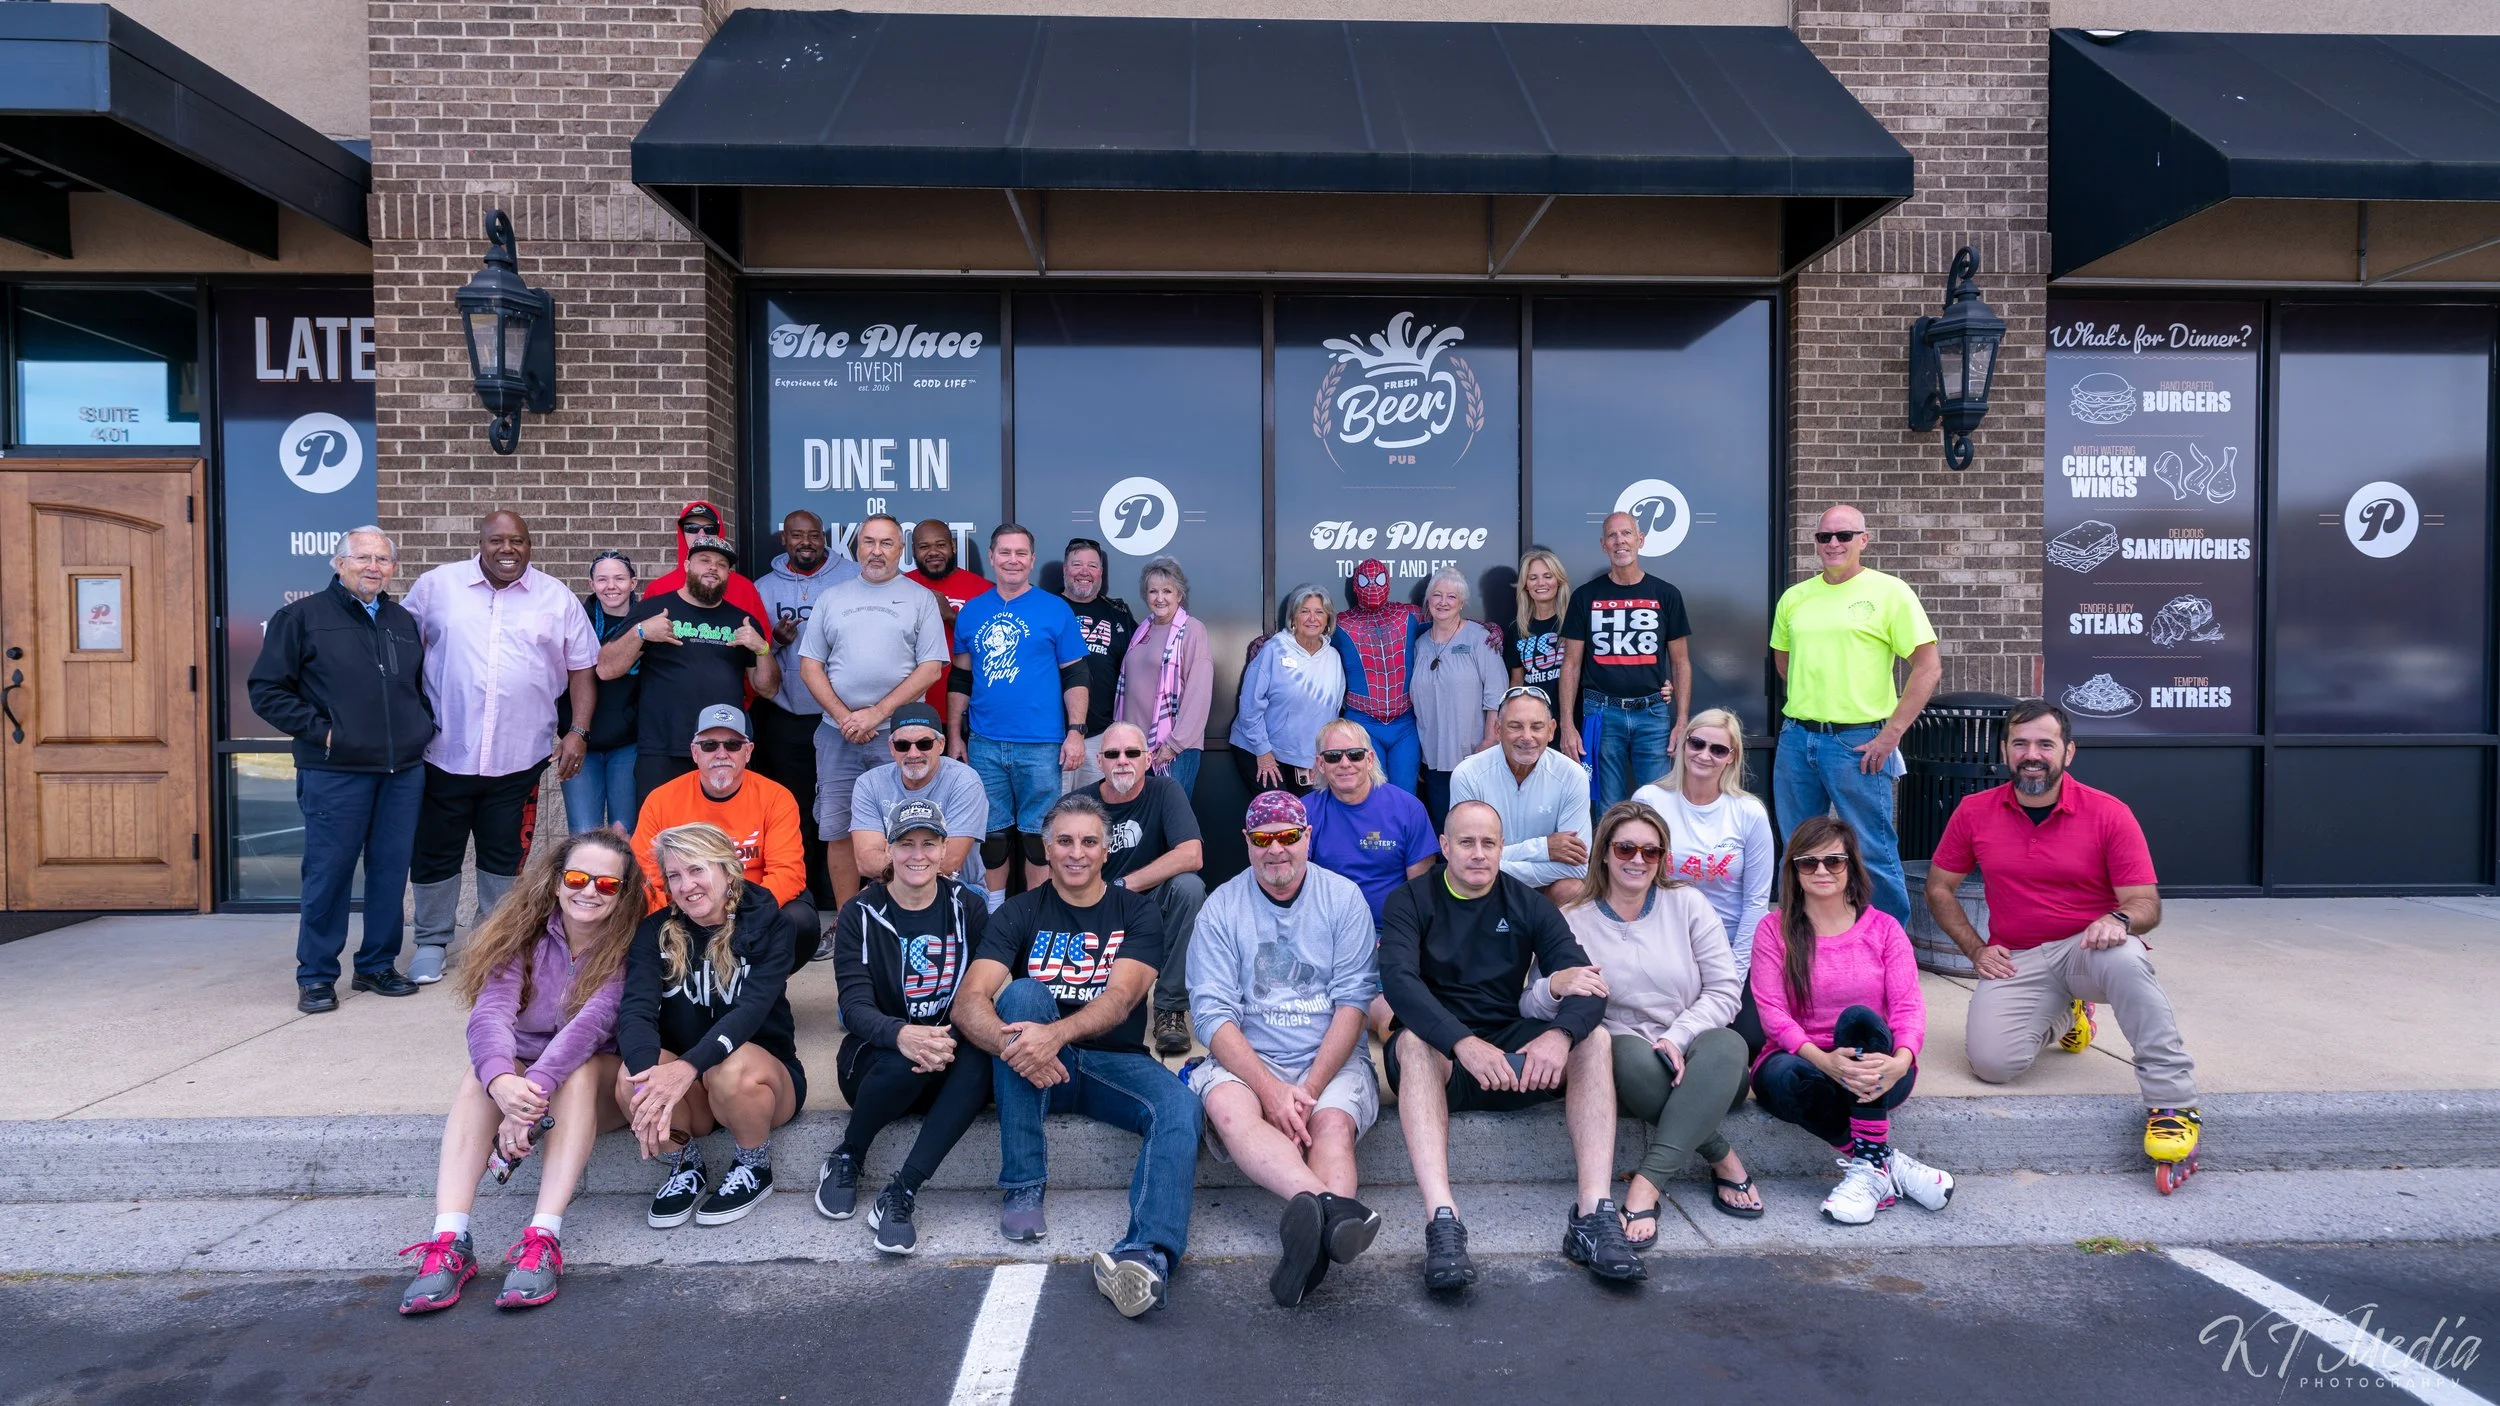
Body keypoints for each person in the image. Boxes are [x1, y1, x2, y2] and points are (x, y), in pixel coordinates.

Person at [1924, 699, 2200, 1191]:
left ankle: (2173, 1104)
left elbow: (2146, 904)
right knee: (1992, 1065)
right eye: (2021, 744)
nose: (2033, 754)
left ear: (2068, 752)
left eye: (2045, 744)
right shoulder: (1974, 812)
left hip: (2088, 950)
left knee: (2128, 959)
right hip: (2019, 956)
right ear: (2006, 751)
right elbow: (1939, 887)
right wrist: (1975, 950)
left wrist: (2118, 919)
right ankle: (2068, 1016)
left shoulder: (2108, 813)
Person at [951, 794, 1199, 1320]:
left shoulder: (1136, 911)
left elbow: (1121, 1000)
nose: (1076, 853)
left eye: (1089, 841)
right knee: (1020, 997)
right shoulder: (1021, 910)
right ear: (1046, 847)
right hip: (1033, 1071)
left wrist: (1053, 1037)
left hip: (1112, 1061)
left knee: (1181, 1108)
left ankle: (1146, 1252)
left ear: (1107, 850)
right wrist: (1014, 1044)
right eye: (1064, 841)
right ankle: (1022, 1187)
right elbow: (969, 1000)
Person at [1380, 800, 1642, 1288]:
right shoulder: (1410, 901)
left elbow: (1587, 982)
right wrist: (1461, 1042)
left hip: (1507, 1051)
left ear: (1502, 848)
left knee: (1595, 1040)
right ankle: (1443, 1221)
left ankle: (1592, 1214)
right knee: (1413, 1042)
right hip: (1443, 1057)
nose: (1478, 854)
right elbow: (1399, 984)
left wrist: (1560, 1037)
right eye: (1466, 842)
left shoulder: (1528, 904)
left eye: (1488, 843)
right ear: (1444, 846)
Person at [398, 830, 648, 1314]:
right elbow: (491, 1013)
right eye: (577, 878)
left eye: (607, 884)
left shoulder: (630, 947)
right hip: (528, 1083)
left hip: (591, 1087)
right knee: (478, 1076)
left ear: (624, 894)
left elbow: (590, 1028)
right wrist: (501, 1083)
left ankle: (543, 1238)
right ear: (556, 883)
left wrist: (525, 1101)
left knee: (577, 1069)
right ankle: (448, 1239)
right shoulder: (523, 934)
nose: (589, 891)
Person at [1184, 791, 1383, 1307]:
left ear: (1307, 838)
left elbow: (1353, 1005)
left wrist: (1310, 1088)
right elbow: (1211, 1017)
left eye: (1289, 836)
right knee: (1228, 1107)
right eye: (1264, 838)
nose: (1277, 849)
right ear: (1247, 842)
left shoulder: (1343, 898)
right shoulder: (1221, 907)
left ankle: (1312, 1244)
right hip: (1252, 1057)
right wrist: (1271, 1091)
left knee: (1332, 1127)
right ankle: (1335, 1212)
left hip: (1329, 1056)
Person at [1523, 801, 1758, 1239]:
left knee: (1730, 1045)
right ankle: (1721, 1154)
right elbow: (1531, 1003)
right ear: (1605, 854)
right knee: (1623, 1052)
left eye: (1650, 852)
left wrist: (1677, 1036)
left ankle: (1646, 1185)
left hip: (1701, 1059)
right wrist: (1556, 984)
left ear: (1663, 858)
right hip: (1628, 1067)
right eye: (1626, 848)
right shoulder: (1573, 920)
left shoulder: (1687, 903)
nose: (1637, 860)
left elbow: (1726, 991)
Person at [402, 511, 599, 985]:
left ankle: (492, 942)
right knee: (436, 851)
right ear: (481, 542)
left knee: (505, 854)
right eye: (497, 540)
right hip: (444, 751)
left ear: (531, 545)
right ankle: (431, 940)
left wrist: (578, 731)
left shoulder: (556, 597)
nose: (508, 549)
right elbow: (401, 653)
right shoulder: (436, 588)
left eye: (519, 541)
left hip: (519, 757)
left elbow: (581, 670)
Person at [248, 527, 434, 1013]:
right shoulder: (302, 617)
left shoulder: (401, 620)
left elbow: (415, 687)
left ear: (393, 568)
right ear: (339, 563)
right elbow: (267, 691)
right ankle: (316, 975)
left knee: (391, 874)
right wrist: (325, 732)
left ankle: (376, 965)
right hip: (336, 771)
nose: (373, 566)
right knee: (328, 875)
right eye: (363, 557)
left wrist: (422, 727)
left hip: (402, 771)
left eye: (383, 559)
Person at [1748, 815, 1953, 1226]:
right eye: (1809, 862)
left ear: (1851, 866)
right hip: (1805, 1063)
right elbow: (1772, 1013)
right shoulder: (1774, 930)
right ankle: (1879, 1162)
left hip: (1877, 1070)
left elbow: (1908, 1007)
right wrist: (1823, 1060)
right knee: (1784, 1078)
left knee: (1860, 1019)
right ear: (1794, 870)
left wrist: (1901, 1059)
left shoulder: (1885, 929)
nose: (1821, 871)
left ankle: (1869, 1170)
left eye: (1833, 861)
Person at [817, 798, 994, 1253]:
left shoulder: (967, 908)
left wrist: (945, 1037)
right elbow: (853, 1007)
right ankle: (849, 1154)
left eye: (929, 843)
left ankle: (903, 1189)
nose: (918, 854)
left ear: (943, 850)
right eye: (906, 843)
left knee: (982, 1058)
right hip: (875, 1062)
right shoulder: (859, 913)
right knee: (903, 1062)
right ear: (889, 851)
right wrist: (903, 1035)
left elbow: (982, 987)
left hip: (947, 1053)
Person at [616, 822, 804, 1230]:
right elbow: (636, 1012)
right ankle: (686, 1167)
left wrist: (686, 1068)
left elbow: (750, 1012)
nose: (687, 885)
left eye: (697, 870)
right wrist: (649, 1078)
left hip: (762, 1086)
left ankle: (754, 1167)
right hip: (693, 1097)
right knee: (631, 1075)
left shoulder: (772, 925)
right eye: (674, 875)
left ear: (727, 870)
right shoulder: (654, 932)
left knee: (730, 1067)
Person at [1770, 504, 1941, 925]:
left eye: (1844, 536)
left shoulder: (1890, 592)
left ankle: (1891, 949)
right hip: (1798, 739)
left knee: (1871, 848)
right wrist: (1815, 700)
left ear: (1863, 540)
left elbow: (1928, 665)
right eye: (1824, 537)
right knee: (1798, 847)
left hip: (1859, 742)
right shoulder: (1795, 597)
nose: (1833, 544)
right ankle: (1800, 938)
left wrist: (1891, 734)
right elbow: (1783, 660)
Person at [797, 514, 950, 907]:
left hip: (901, 738)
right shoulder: (833, 597)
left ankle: (900, 912)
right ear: (856, 547)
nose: (876, 551)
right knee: (837, 828)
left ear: (901, 550)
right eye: (869, 542)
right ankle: (849, 920)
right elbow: (810, 665)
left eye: (886, 543)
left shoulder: (919, 598)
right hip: (837, 733)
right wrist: (846, 716)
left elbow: (931, 666)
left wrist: (877, 713)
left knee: (908, 827)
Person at [948, 523, 1090, 901]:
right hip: (985, 742)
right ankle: (996, 914)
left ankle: (1034, 916)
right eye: (1005, 552)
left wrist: (1076, 730)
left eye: (1021, 553)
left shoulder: (1054, 609)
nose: (1013, 560)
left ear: (1032, 560)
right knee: (992, 837)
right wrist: (954, 735)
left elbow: (1076, 674)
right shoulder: (973, 612)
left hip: (1041, 744)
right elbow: (960, 678)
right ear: (992, 557)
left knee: (1036, 837)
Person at [1633, 706, 1776, 1057]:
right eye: (1696, 743)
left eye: (1718, 749)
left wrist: (1734, 974)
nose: (1704, 755)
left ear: (1732, 758)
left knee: (1749, 1040)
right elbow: (1630, 883)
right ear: (1682, 745)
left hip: (1727, 947)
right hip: (1664, 943)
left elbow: (1756, 903)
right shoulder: (1650, 801)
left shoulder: (1749, 813)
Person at [629, 704, 817, 968]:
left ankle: (763, 982)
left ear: (748, 751)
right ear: (694, 752)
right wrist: (688, 911)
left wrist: (734, 912)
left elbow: (788, 873)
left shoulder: (776, 797)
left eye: (732, 745)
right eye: (709, 746)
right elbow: (646, 876)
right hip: (685, 903)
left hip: (751, 906)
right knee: (631, 909)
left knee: (800, 920)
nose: (721, 754)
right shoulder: (661, 800)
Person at [600, 532, 778, 808]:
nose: (712, 568)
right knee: (661, 839)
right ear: (686, 565)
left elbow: (767, 688)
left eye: (721, 564)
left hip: (723, 750)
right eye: (704, 560)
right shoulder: (654, 609)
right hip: (662, 749)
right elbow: (606, 669)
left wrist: (762, 648)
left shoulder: (741, 620)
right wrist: (642, 632)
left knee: (721, 836)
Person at [751, 509, 861, 912]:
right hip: (786, 717)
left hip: (841, 715)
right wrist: (776, 640)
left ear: (824, 537)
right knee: (794, 809)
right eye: (798, 536)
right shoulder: (763, 588)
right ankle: (803, 894)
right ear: (784, 540)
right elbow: (752, 650)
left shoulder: (851, 577)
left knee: (842, 807)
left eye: (814, 535)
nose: (807, 543)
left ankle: (841, 899)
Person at [1082, 721, 1207, 1056]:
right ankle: (1084, 999)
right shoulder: (1079, 803)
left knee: (1189, 888)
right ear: (1100, 762)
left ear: (1148, 759)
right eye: (1113, 754)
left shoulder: (1165, 791)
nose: (1123, 760)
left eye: (1132, 753)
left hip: (1147, 901)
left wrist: (1122, 885)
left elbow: (1192, 854)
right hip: (1095, 906)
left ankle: (1169, 1008)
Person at [1559, 511, 1692, 811]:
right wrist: (1567, 724)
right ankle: (1609, 859)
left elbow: (1681, 662)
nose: (1620, 541)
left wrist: (1682, 720)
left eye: (1626, 533)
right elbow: (1571, 665)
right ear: (1603, 545)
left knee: (1658, 806)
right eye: (1612, 535)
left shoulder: (1666, 594)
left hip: (1653, 713)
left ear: (1640, 540)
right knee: (1608, 807)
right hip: (1602, 714)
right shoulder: (1585, 597)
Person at [1451, 688, 1594, 905]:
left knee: (1571, 888)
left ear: (1551, 730)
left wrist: (1494, 859)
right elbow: (1463, 859)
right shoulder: (1468, 773)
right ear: (1498, 730)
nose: (1527, 737)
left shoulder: (1572, 775)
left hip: (1544, 892)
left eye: (1537, 727)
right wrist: (1544, 848)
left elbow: (1578, 866)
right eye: (1515, 726)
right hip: (1485, 889)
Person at [1304, 718, 1438, 931]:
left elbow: (1420, 893)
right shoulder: (1304, 812)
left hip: (1391, 932)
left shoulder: (1408, 809)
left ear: (1369, 759)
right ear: (1321, 764)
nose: (1345, 764)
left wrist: (1398, 939)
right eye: (1333, 757)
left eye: (1355, 754)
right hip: (1327, 932)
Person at [851, 702, 991, 903]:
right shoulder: (869, 783)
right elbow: (866, 862)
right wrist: (916, 863)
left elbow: (950, 861)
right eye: (903, 745)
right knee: (854, 914)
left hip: (957, 887)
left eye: (924, 744)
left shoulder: (965, 780)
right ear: (891, 748)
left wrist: (894, 856)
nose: (913, 753)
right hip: (888, 886)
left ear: (941, 745)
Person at [1410, 567, 1506, 831]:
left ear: (1462, 603)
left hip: (1474, 754)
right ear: (1428, 600)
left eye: (1451, 597)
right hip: (1433, 757)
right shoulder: (1419, 644)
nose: (1443, 602)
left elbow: (1496, 694)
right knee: (1444, 825)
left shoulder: (1480, 639)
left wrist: (1489, 740)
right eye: (1437, 595)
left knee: (1475, 826)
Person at [1232, 584, 1346, 796]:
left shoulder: (1333, 658)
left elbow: (1331, 715)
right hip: (1258, 748)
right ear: (1293, 618)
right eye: (1305, 611)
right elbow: (1249, 706)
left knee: (1306, 816)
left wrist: (1319, 758)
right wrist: (1263, 753)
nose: (1312, 618)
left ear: (1328, 620)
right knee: (1279, 814)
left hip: (1303, 757)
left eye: (1319, 612)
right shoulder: (1274, 650)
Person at [557, 551, 643, 832]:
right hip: (582, 745)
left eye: (619, 578)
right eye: (602, 579)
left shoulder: (646, 623)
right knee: (583, 833)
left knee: (625, 832)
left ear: (633, 583)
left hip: (629, 745)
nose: (611, 586)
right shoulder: (575, 622)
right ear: (591, 584)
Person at [1115, 556, 1211, 797]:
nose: (1160, 598)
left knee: (1171, 822)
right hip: (1136, 748)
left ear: (1180, 595)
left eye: (1167, 591)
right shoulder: (1142, 629)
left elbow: (1198, 692)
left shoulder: (1192, 630)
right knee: (1139, 822)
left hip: (1173, 749)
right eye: (1153, 591)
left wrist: (1173, 745)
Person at [1331, 558, 1425, 794]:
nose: (1372, 586)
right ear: (1355, 586)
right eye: (1365, 581)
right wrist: (1268, 641)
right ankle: (1372, 834)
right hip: (1362, 722)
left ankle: (1401, 833)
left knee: (1405, 793)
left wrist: (1488, 629)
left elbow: (1452, 621)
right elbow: (1307, 633)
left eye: (1379, 579)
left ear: (1388, 582)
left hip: (1404, 721)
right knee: (1370, 794)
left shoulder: (1409, 615)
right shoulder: (1341, 622)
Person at [1057, 536, 1136, 790]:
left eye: (1092, 566)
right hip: (1051, 737)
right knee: (1050, 819)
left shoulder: (1119, 614)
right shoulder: (1046, 608)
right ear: (1064, 570)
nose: (1085, 572)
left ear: (1101, 572)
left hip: (1100, 737)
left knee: (1093, 816)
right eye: (1077, 564)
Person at [643, 500, 769, 629]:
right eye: (691, 528)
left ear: (719, 532)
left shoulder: (744, 589)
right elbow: (638, 643)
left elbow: (764, 640)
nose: (701, 535)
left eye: (709, 529)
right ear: (682, 532)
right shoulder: (657, 589)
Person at [908, 517, 991, 713]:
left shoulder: (983, 590)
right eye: (924, 546)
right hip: (913, 707)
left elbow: (991, 646)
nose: (933, 552)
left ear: (952, 546)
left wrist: (950, 616)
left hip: (968, 708)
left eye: (940, 545)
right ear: (913, 551)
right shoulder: (900, 586)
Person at [1502, 547, 1571, 709]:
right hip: (1533, 721)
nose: (1540, 583)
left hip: (1570, 718)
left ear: (1559, 580)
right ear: (1526, 585)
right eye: (1533, 578)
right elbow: (1517, 681)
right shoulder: (1517, 629)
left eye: (1548, 576)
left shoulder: (1574, 621)